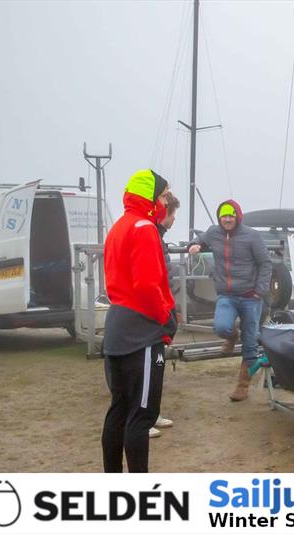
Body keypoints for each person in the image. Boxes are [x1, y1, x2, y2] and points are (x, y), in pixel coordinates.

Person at [101, 169, 177, 472]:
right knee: (141, 415)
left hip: (117, 328)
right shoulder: (144, 227)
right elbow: (147, 285)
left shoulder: (118, 226)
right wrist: (166, 318)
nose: (165, 201)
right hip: (141, 332)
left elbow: (114, 282)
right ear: (150, 197)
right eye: (162, 195)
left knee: (118, 410)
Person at [188, 200, 272, 402]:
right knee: (221, 326)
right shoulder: (213, 232)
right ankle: (232, 336)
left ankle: (242, 386)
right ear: (219, 218)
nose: (227, 219)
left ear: (238, 217)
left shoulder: (251, 235)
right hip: (227, 295)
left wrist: (260, 291)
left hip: (251, 297)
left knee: (250, 343)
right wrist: (195, 245)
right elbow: (200, 239)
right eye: (224, 216)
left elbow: (265, 263)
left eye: (231, 215)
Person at [150, 192, 181, 438]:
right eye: (173, 214)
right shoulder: (148, 236)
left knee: (157, 366)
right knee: (148, 367)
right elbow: (151, 281)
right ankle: (142, 416)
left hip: (162, 311)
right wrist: (164, 314)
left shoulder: (158, 237)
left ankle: (151, 413)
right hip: (152, 317)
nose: (173, 220)